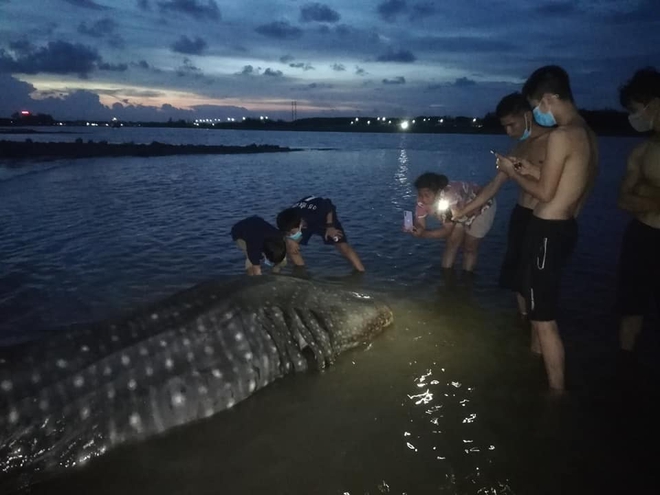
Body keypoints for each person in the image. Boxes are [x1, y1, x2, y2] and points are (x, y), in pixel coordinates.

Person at [495, 65, 599, 391]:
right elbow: (567, 183)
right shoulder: (587, 134)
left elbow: (543, 194)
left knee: (543, 317)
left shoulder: (561, 136)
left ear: (550, 98)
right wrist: (529, 169)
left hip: (548, 230)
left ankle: (556, 394)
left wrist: (512, 173)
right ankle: (534, 368)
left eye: (537, 105)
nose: (539, 113)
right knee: (540, 307)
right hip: (566, 227)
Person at [453, 92, 550, 330]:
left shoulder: (552, 142)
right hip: (521, 213)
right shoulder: (519, 146)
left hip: (544, 217)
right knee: (516, 276)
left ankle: (538, 332)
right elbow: (494, 185)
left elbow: (551, 188)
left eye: (511, 124)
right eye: (504, 126)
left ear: (527, 116)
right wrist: (465, 209)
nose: (508, 131)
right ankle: (523, 324)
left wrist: (517, 171)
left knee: (536, 281)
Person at [615, 67, 660, 364]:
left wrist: (645, 197)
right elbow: (622, 199)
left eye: (636, 109)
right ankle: (624, 369)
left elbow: (635, 197)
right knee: (630, 308)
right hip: (642, 235)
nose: (635, 117)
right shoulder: (642, 151)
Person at [408, 172, 497, 273]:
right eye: (420, 194)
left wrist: (424, 234)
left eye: (426, 195)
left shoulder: (450, 199)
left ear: (438, 192)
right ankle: (446, 277)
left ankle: (467, 278)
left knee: (470, 247)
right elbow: (420, 224)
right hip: (459, 211)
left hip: (481, 206)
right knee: (451, 243)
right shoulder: (421, 202)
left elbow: (447, 231)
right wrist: (418, 228)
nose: (422, 199)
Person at [276, 195, 365, 272]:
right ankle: (301, 270)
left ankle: (361, 270)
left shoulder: (316, 213)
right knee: (291, 247)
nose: (291, 234)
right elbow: (284, 232)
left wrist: (330, 226)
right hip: (300, 220)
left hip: (325, 218)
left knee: (341, 245)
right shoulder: (287, 218)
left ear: (300, 224)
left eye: (292, 232)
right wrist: (289, 239)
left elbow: (329, 204)